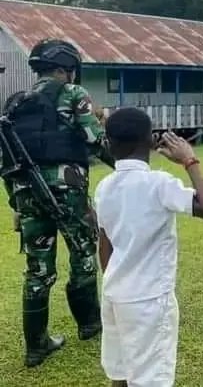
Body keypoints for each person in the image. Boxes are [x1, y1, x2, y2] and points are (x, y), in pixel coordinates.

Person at [0, 39, 114, 367]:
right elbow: (95, 140)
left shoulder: (14, 104)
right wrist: (126, 165)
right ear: (67, 68)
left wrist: (16, 206)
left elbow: (6, 161)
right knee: (82, 255)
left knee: (37, 269)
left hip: (27, 194)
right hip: (67, 191)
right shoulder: (73, 94)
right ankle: (90, 324)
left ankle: (36, 346)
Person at [96, 108, 203, 387]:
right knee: (150, 379)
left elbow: (104, 245)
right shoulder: (159, 184)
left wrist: (117, 281)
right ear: (151, 140)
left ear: (108, 143)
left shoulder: (104, 187)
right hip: (149, 300)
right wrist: (190, 160)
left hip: (114, 294)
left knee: (121, 372)